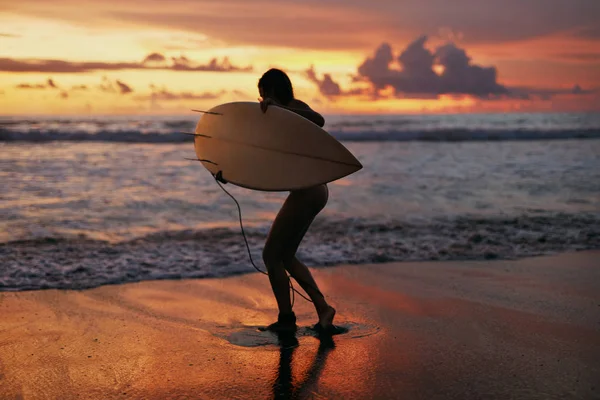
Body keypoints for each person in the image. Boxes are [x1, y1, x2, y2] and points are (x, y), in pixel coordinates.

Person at [257, 68, 335, 333]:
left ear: (272, 90)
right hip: (308, 189)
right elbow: (258, 159)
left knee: (271, 255)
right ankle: (323, 309)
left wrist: (280, 108)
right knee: (285, 256)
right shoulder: (276, 119)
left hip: (309, 190)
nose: (262, 98)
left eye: (264, 92)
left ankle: (286, 320)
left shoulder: (293, 107)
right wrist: (228, 173)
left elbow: (319, 119)